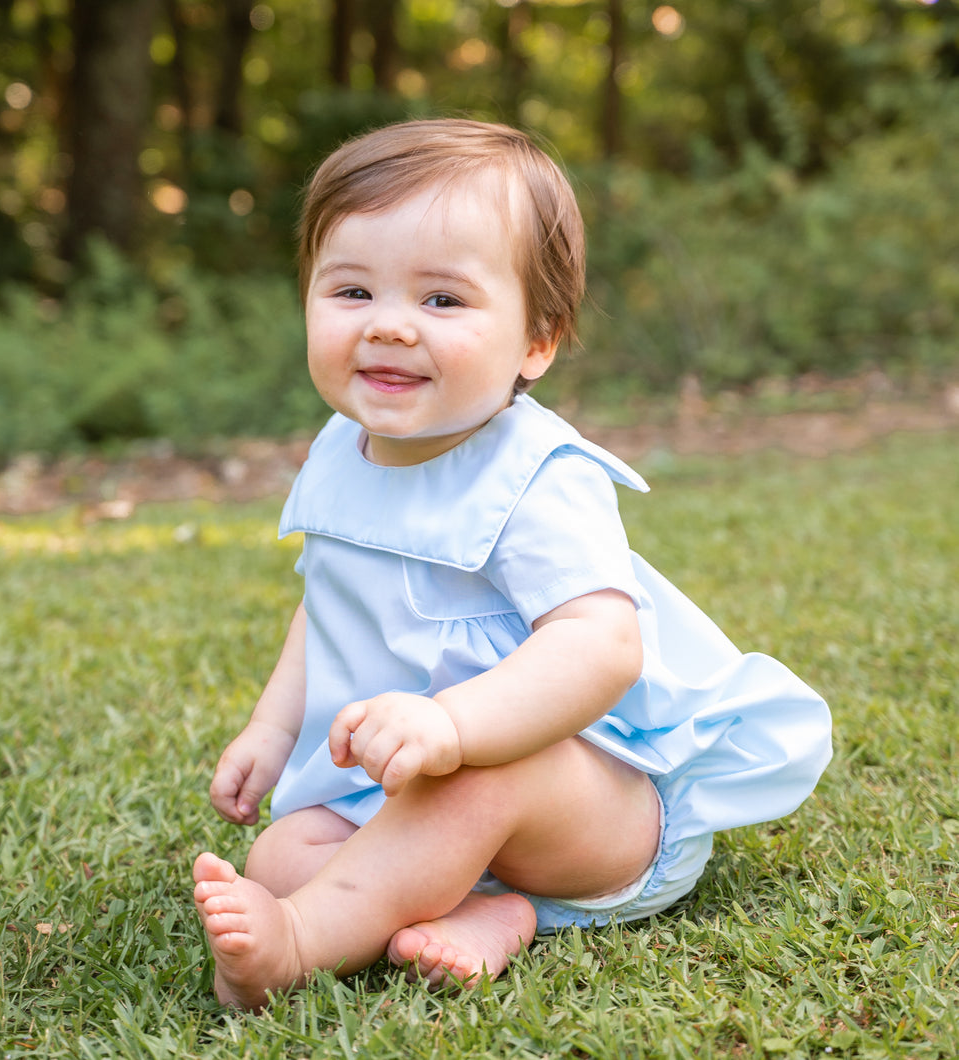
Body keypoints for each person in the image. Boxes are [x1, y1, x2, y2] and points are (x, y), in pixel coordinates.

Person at [192, 118, 832, 1011]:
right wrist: (270, 730)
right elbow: (330, 603)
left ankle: (296, 945)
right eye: (350, 291)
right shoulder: (343, 449)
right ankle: (495, 913)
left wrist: (455, 727)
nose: (390, 327)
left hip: (589, 802)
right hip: (420, 792)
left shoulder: (534, 478)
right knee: (284, 848)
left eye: (442, 301)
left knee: (476, 780)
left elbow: (601, 648)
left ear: (537, 340)